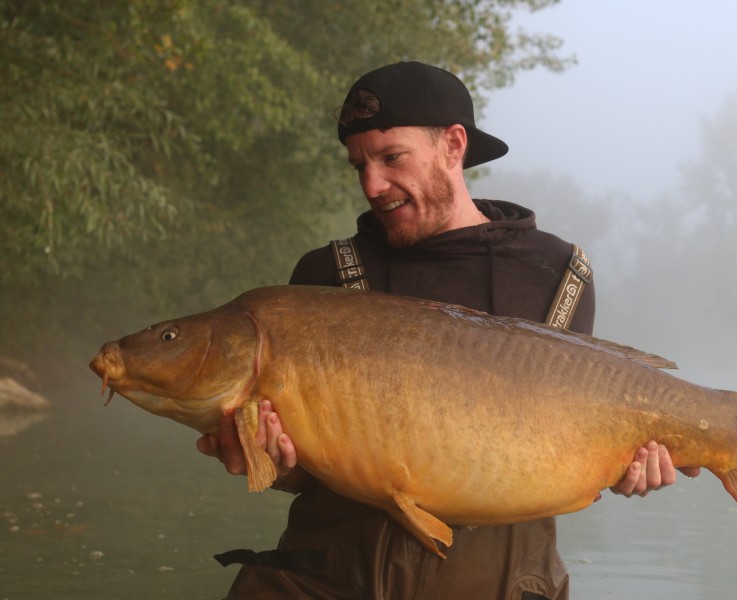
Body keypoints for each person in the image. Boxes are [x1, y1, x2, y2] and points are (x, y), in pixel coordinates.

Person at [197, 61, 699, 600]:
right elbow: (306, 472)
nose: (373, 184)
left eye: (392, 158)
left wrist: (627, 467)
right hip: (323, 581)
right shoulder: (322, 278)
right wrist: (267, 458)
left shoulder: (556, 272)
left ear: (454, 146)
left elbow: (573, 447)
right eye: (359, 164)